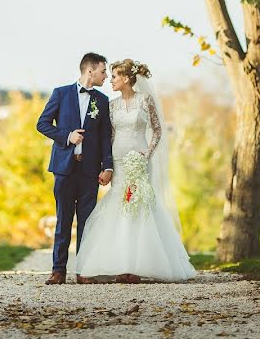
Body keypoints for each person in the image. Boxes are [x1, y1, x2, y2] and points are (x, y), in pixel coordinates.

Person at [75, 59, 196, 283]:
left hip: (140, 159)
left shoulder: (145, 100)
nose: (110, 80)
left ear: (127, 78)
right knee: (119, 204)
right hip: (119, 161)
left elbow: (158, 131)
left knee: (139, 203)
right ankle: (121, 264)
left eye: (114, 77)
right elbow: (108, 137)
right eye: (109, 76)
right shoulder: (111, 105)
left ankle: (138, 265)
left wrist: (146, 155)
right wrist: (107, 164)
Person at [36, 52, 114, 285]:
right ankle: (58, 271)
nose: (106, 75)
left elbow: (104, 138)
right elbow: (42, 124)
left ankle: (84, 271)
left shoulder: (101, 100)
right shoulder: (60, 94)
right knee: (63, 221)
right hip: (64, 169)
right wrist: (66, 136)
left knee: (87, 223)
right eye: (103, 71)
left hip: (90, 170)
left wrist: (107, 166)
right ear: (90, 71)